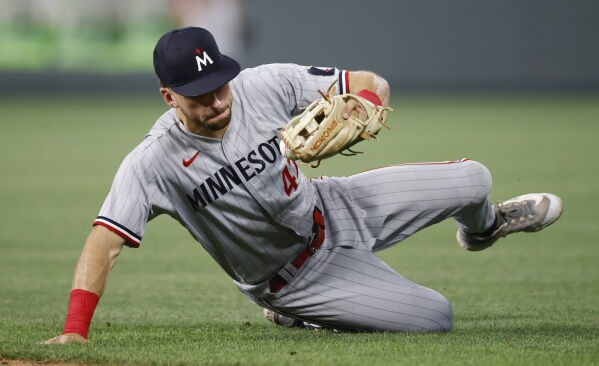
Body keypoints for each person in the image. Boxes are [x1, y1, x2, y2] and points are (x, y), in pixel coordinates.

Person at [44, 27, 563, 343]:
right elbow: (104, 240)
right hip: (295, 279)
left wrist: (367, 103)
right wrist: (74, 329)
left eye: (219, 83)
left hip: (336, 205)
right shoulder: (152, 162)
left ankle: (484, 228)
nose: (217, 100)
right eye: (198, 94)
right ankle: (301, 319)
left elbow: (366, 78)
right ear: (168, 97)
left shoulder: (262, 84)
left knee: (476, 179)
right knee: (436, 317)